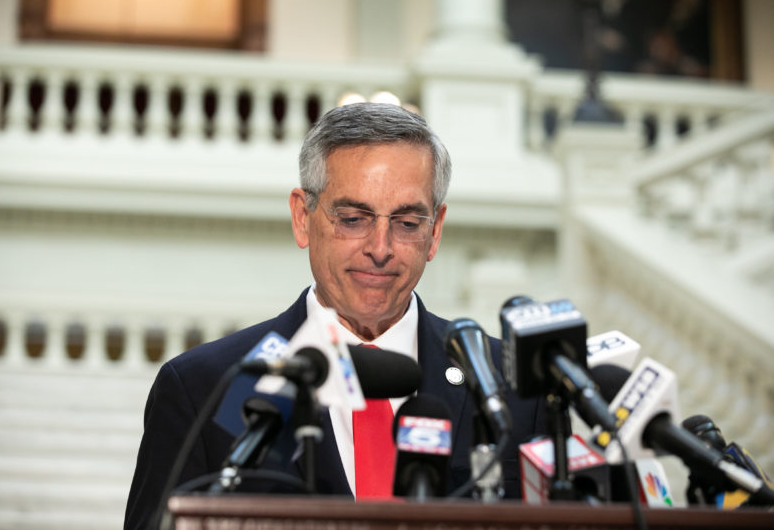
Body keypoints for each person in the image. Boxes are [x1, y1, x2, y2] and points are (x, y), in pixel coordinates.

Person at [124, 103, 546, 528]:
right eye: (352, 219)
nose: (380, 248)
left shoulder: (512, 390)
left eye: (406, 223)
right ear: (302, 218)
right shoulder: (205, 390)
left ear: (434, 231)